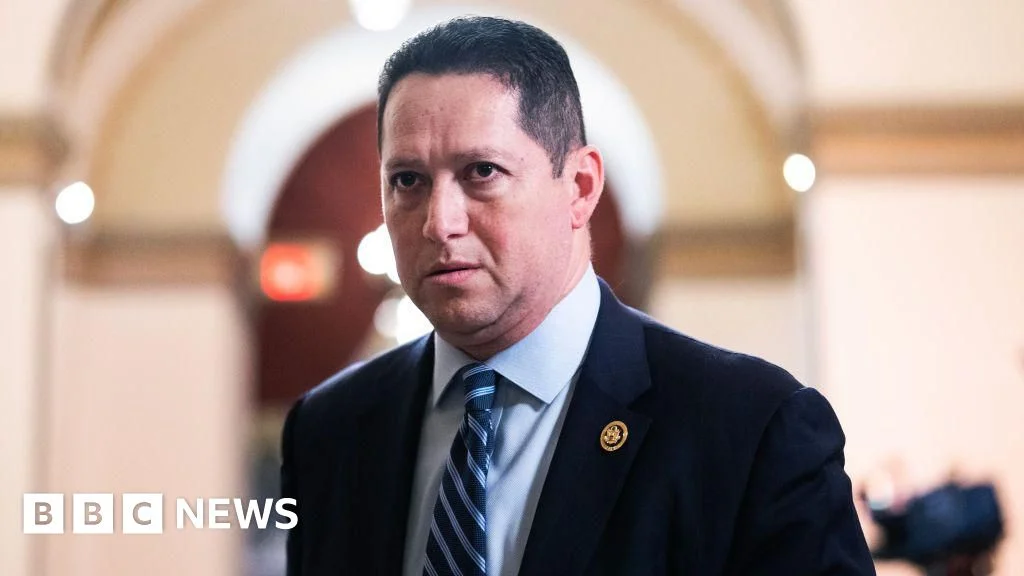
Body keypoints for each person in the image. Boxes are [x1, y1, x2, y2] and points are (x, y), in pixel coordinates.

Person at [280, 15, 875, 576]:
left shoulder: (751, 429)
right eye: (407, 180)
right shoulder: (328, 431)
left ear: (581, 187)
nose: (439, 222)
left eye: (481, 172)